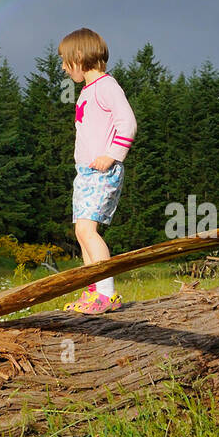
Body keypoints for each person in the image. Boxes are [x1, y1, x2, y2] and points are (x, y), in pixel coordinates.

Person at [58, 27, 138, 314]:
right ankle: (92, 289)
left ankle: (107, 293)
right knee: (81, 232)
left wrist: (112, 155)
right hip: (85, 174)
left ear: (80, 57)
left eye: (67, 62)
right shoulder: (87, 91)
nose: (65, 69)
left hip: (102, 172)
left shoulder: (106, 86)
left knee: (88, 230)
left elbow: (127, 123)